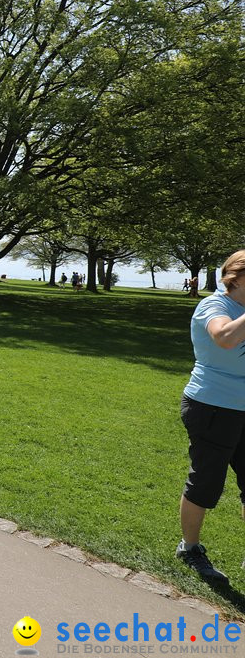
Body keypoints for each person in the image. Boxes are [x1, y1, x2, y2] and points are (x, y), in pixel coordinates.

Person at [175, 250, 245, 584]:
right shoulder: (215, 306)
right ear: (237, 276)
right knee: (207, 482)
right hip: (213, 406)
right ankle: (189, 548)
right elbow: (224, 337)